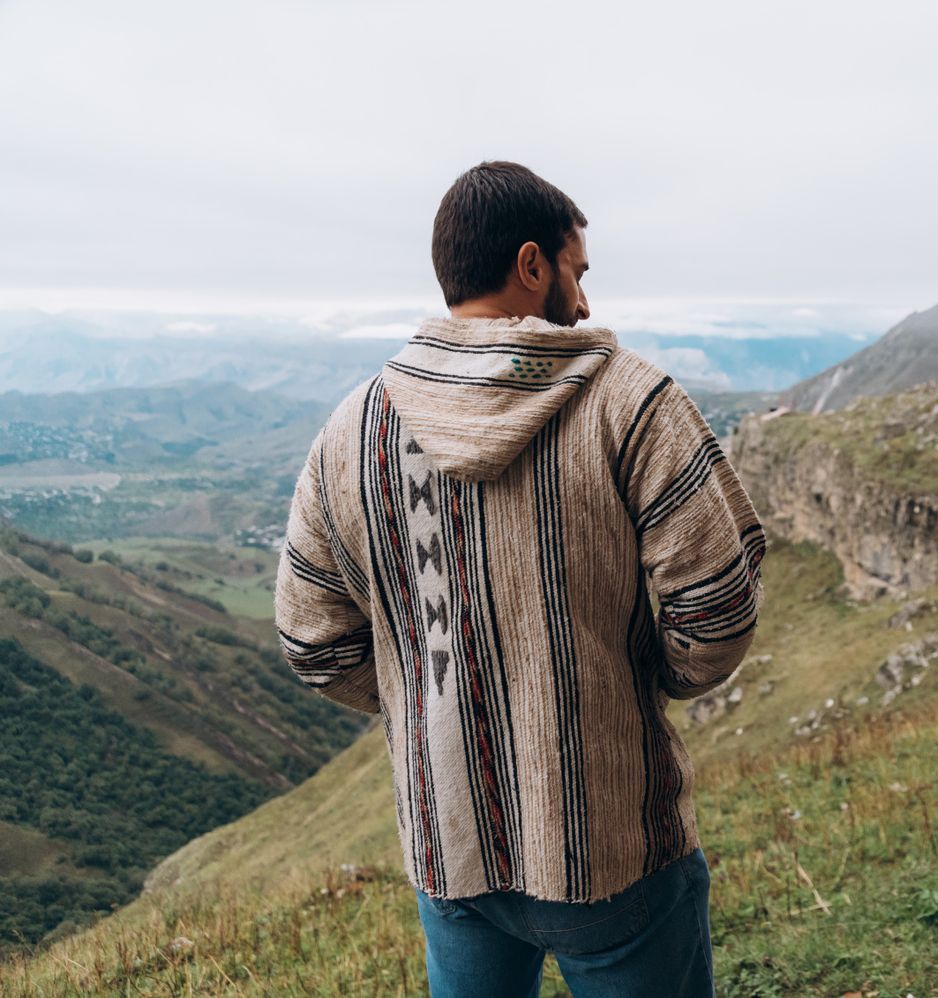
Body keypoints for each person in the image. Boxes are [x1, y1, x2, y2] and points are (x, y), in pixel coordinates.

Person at [273, 160, 765, 997]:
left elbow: (312, 642)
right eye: (577, 271)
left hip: (450, 848)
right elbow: (716, 609)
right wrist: (632, 688)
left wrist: (428, 697)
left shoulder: (351, 429)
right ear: (532, 264)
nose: (585, 302)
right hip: (612, 843)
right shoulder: (631, 402)